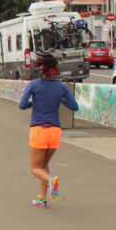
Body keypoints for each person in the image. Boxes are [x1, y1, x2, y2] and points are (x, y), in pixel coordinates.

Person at [18, 53, 79, 209]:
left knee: (35, 168)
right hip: (54, 131)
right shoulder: (61, 87)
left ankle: (52, 181)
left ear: (41, 69)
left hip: (39, 129)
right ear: (55, 69)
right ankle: (42, 199)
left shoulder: (34, 85)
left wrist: (34, 102)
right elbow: (74, 107)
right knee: (44, 165)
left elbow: (22, 105)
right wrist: (60, 99)